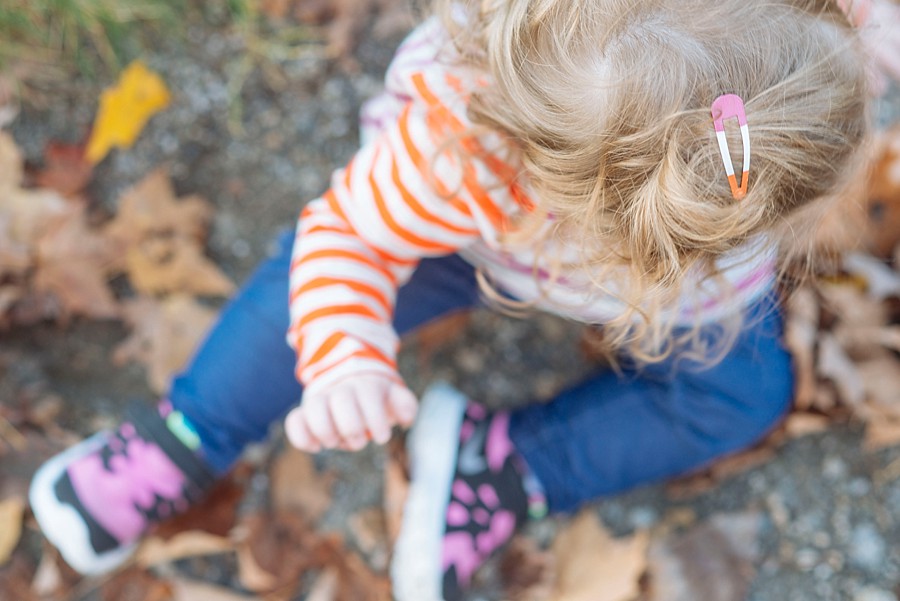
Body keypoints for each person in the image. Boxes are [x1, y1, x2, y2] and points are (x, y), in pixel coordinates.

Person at [27, 0, 895, 599]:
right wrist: (345, 353)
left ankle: (501, 461)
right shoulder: (450, 153)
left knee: (742, 393)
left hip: (669, 275)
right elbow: (348, 237)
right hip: (465, 245)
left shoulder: (800, 63)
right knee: (299, 293)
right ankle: (183, 435)